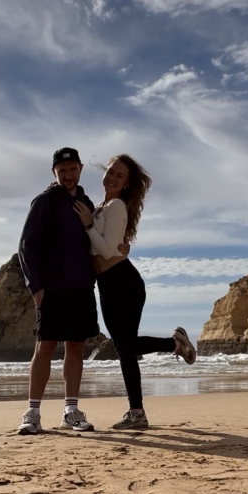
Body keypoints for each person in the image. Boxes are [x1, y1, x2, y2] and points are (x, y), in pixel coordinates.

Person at [74, 154, 196, 430]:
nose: (111, 177)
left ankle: (176, 344)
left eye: (119, 175)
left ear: (127, 184)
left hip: (124, 283)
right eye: (109, 171)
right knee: (123, 349)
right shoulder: (100, 207)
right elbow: (104, 246)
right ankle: (137, 412)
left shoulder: (115, 206)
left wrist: (88, 226)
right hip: (106, 284)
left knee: (125, 346)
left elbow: (106, 250)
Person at [16, 147, 102, 434]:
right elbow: (27, 246)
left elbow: (96, 240)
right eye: (62, 170)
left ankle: (71, 411)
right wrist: (35, 287)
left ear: (80, 169)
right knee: (45, 347)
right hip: (52, 287)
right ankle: (32, 413)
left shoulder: (87, 201)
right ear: (55, 172)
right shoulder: (45, 201)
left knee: (76, 347)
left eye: (72, 169)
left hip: (81, 287)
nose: (68, 175)